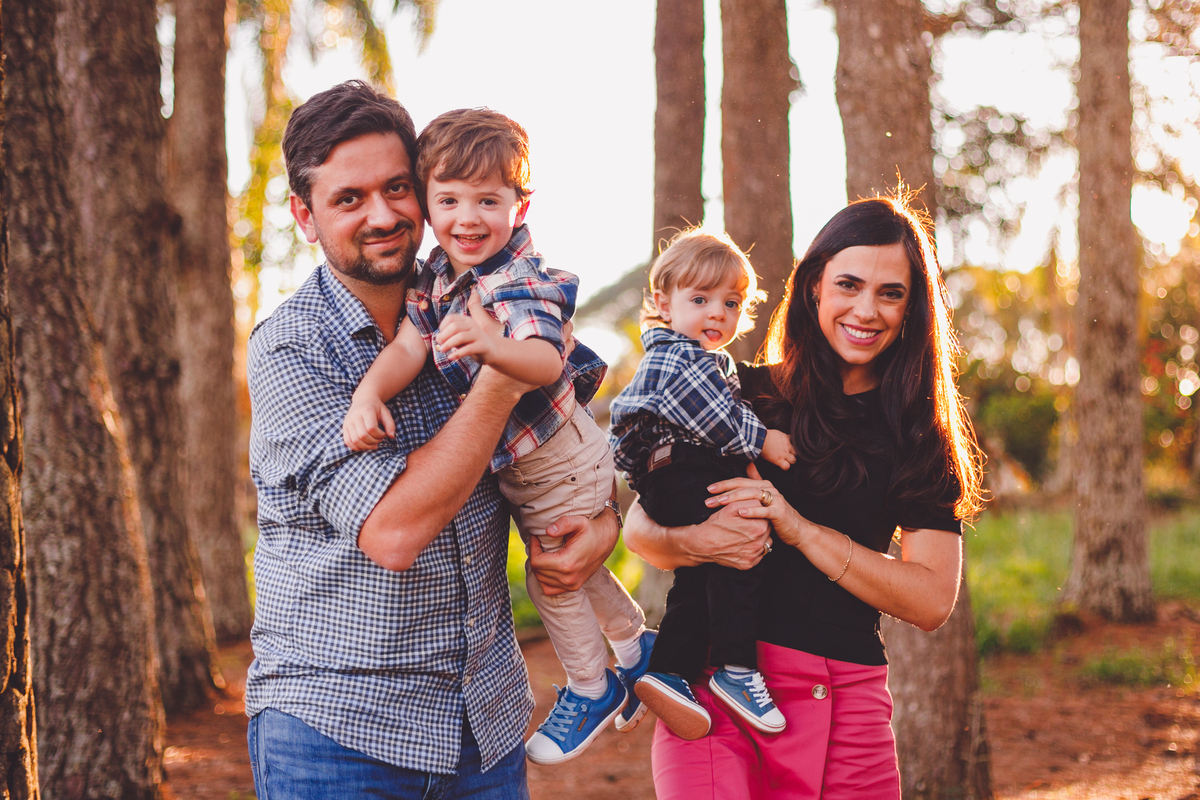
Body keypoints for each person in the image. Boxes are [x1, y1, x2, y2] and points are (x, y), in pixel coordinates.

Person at [245, 81, 619, 799]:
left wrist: (600, 522)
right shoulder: (291, 350)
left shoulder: (489, 292)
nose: (382, 215)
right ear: (304, 215)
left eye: (397, 189)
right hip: (338, 735)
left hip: (485, 726)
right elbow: (394, 531)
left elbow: (562, 435)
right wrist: (501, 373)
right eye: (348, 199)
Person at [624, 196, 985, 799]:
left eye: (890, 293)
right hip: (717, 692)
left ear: (912, 306)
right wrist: (699, 541)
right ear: (815, 285)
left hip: (848, 706)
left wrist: (799, 529)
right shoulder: (742, 395)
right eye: (848, 284)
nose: (866, 310)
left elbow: (929, 599)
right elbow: (640, 528)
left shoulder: (920, 436)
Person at [341, 107, 654, 766]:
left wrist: (493, 346)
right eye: (449, 200)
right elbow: (408, 343)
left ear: (521, 203)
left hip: (562, 458)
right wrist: (369, 392)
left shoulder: (519, 278)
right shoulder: (436, 277)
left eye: (489, 200)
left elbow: (544, 361)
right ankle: (637, 647)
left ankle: (591, 687)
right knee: (575, 560)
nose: (468, 217)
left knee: (553, 579)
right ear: (427, 207)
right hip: (529, 467)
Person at [607, 228, 796, 741]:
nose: (717, 313)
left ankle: (670, 671)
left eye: (731, 302)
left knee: (701, 572)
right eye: (700, 299)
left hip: (675, 471)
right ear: (663, 304)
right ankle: (736, 668)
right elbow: (713, 418)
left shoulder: (700, 358)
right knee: (744, 542)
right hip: (685, 467)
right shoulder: (677, 357)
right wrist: (764, 440)